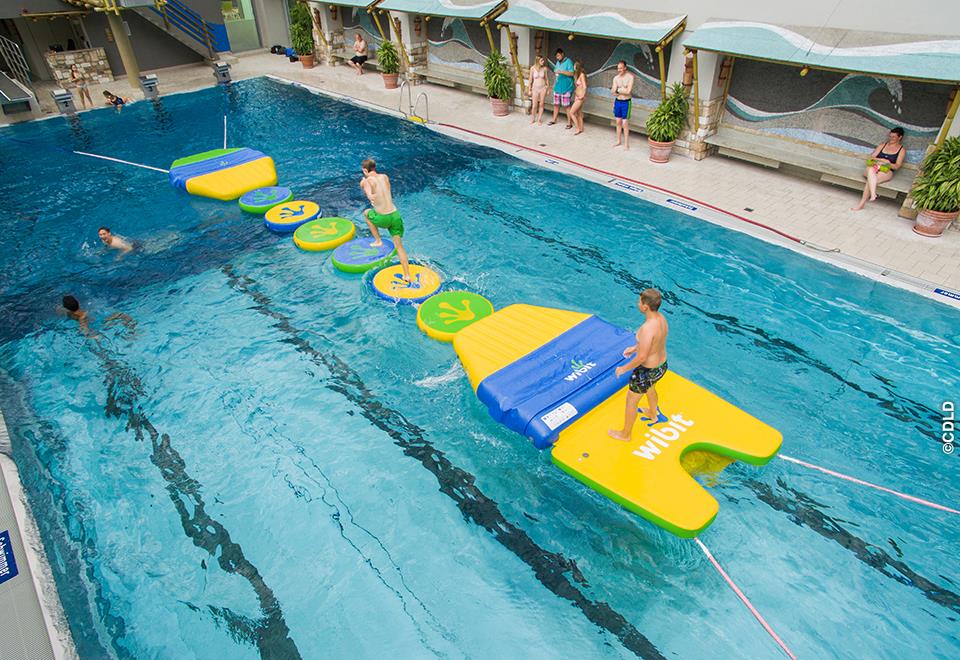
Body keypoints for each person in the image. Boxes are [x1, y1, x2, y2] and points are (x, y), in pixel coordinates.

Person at [609, 289, 669, 441]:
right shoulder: (661, 319)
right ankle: (653, 413)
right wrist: (635, 347)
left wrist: (623, 369)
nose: (638, 303)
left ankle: (625, 434)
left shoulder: (647, 328)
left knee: (631, 401)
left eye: (639, 301)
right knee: (650, 387)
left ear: (645, 307)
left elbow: (642, 357)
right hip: (661, 365)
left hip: (646, 370)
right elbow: (655, 342)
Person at [360, 158, 410, 281]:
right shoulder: (385, 177)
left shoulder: (367, 181)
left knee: (366, 213)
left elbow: (369, 194)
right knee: (399, 247)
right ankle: (407, 275)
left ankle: (378, 241)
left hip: (383, 218)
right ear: (374, 167)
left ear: (365, 170)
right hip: (395, 215)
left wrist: (364, 186)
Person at [852, 127, 906, 211]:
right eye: (890, 136)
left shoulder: (901, 150)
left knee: (871, 180)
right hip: (873, 167)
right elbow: (871, 157)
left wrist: (887, 163)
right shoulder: (882, 145)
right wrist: (881, 160)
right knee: (871, 172)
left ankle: (862, 203)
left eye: (893, 137)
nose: (891, 139)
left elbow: (897, 166)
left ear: (900, 137)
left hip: (886, 171)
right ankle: (873, 194)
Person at [610, 60, 635, 149]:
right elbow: (613, 91)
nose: (619, 70)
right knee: (618, 121)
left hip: (626, 102)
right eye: (618, 68)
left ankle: (626, 143)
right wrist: (622, 89)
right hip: (618, 101)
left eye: (621, 68)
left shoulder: (630, 77)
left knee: (625, 123)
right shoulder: (616, 78)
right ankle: (618, 140)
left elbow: (628, 92)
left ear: (625, 68)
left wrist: (619, 90)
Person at [548, 48, 575, 128]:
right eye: (556, 56)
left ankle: (569, 123)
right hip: (557, 87)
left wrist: (562, 72)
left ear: (562, 54)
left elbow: (572, 73)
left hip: (566, 88)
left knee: (567, 105)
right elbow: (556, 71)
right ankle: (554, 119)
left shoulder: (569, 62)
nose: (557, 58)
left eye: (558, 56)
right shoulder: (558, 62)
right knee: (556, 104)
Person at [527, 55, 549, 125]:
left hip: (543, 88)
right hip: (535, 88)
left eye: (543, 60)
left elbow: (546, 79)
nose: (543, 62)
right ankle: (533, 118)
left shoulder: (544, 69)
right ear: (538, 61)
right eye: (541, 60)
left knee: (541, 104)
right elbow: (530, 79)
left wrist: (548, 88)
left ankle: (539, 119)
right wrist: (529, 89)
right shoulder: (532, 68)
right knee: (534, 105)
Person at [569, 60, 587, 135]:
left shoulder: (582, 75)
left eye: (574, 65)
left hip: (580, 97)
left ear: (577, 66)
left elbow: (585, 86)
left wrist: (582, 96)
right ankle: (581, 128)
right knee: (579, 113)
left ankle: (577, 128)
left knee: (571, 113)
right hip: (577, 96)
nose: (573, 66)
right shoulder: (577, 75)